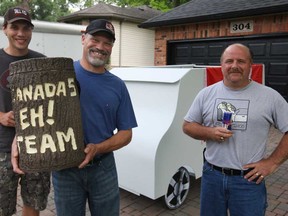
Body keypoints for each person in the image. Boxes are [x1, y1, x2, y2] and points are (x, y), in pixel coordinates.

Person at [182, 43, 288, 216]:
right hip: (212, 176)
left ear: (250, 65)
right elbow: (187, 126)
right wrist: (209, 132)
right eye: (229, 61)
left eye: (241, 61)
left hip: (248, 181)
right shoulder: (206, 94)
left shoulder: (270, 97)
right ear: (222, 65)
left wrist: (272, 163)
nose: (234, 66)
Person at [52, 19, 138, 216]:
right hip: (65, 170)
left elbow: (126, 133)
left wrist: (98, 148)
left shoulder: (117, 86)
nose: (100, 47)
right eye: (95, 39)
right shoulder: (59, 75)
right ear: (83, 38)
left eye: (107, 43)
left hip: (103, 168)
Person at [0, 7, 50, 216]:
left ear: (31, 31)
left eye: (26, 28)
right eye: (15, 27)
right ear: (5, 29)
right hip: (1, 148)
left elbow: (52, 101)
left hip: (36, 146)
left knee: (33, 203)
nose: (20, 33)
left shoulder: (42, 62)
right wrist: (1, 116)